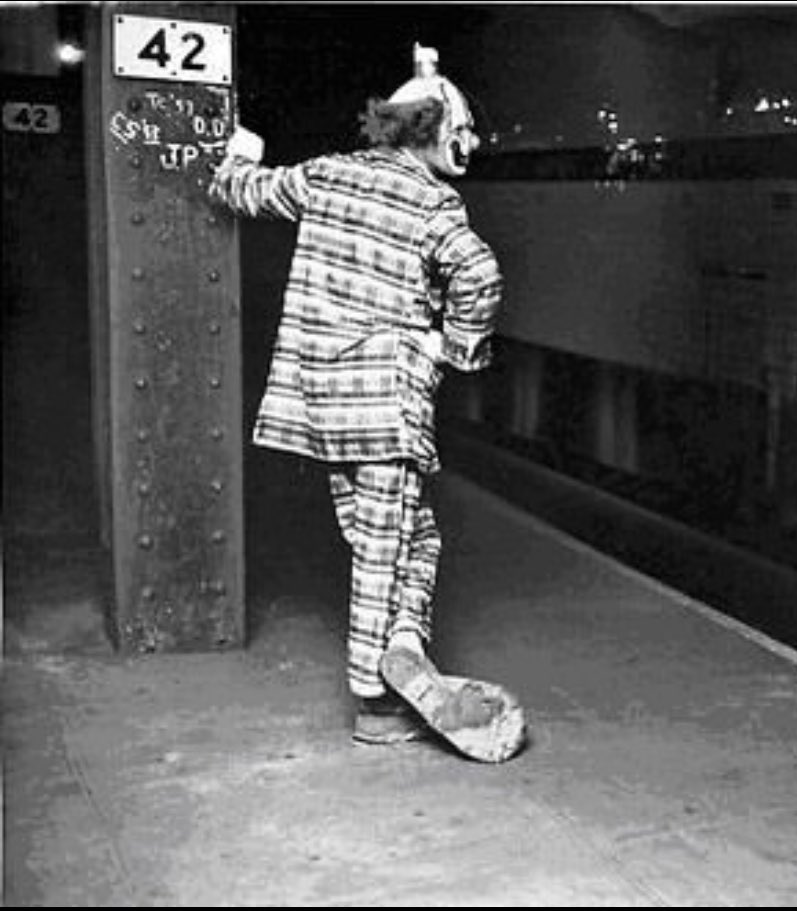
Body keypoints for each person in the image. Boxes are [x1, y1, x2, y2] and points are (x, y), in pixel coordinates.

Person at [209, 44, 519, 759]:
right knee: (389, 546)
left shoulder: (327, 174)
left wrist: (237, 154)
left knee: (401, 537)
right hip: (388, 401)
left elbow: (244, 191)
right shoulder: (433, 201)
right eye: (460, 135)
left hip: (322, 403)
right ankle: (379, 699)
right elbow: (478, 270)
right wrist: (457, 347)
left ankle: (402, 647)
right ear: (440, 133)